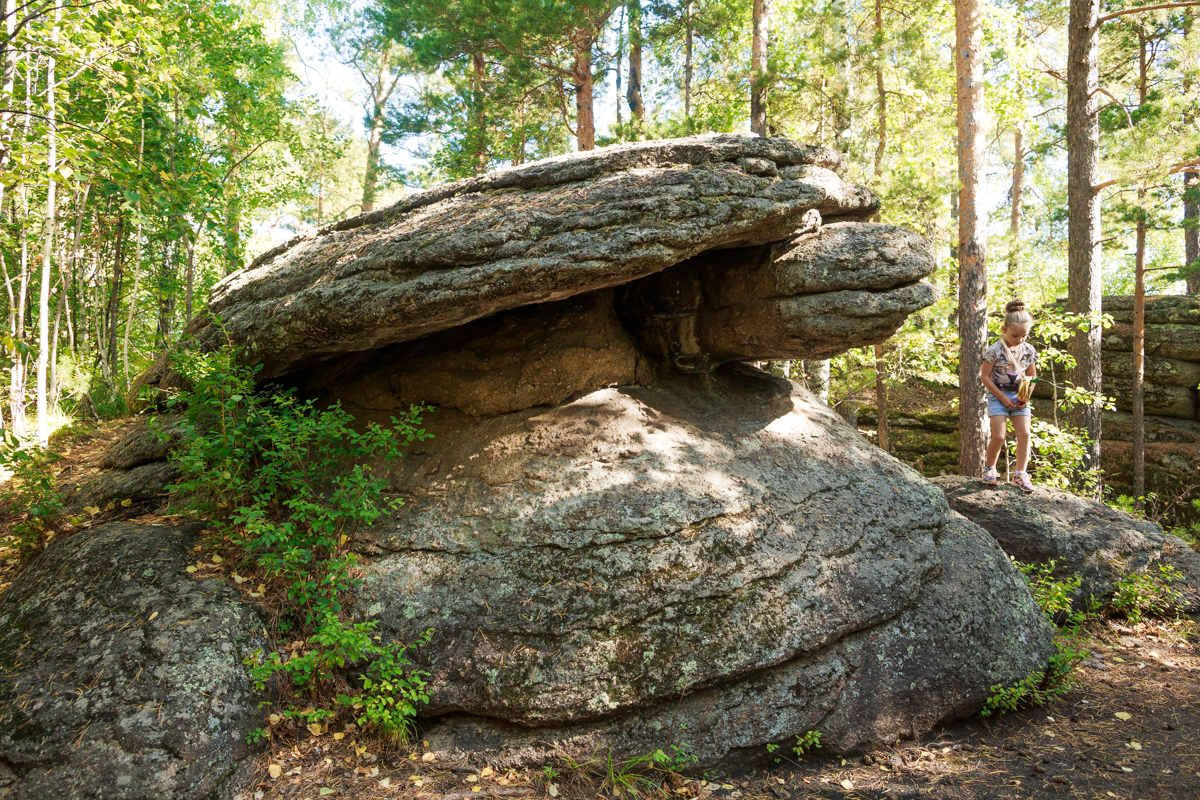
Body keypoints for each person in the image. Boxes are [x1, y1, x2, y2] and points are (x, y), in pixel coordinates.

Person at [980, 299, 1037, 492]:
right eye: (1015, 335)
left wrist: (1026, 396)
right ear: (1004, 329)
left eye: (1025, 335)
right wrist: (1002, 397)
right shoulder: (994, 350)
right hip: (998, 398)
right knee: (1000, 435)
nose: (1020, 339)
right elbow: (985, 377)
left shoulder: (1028, 350)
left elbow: (1032, 376)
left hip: (1019, 398)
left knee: (1025, 434)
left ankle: (1020, 474)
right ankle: (990, 469)